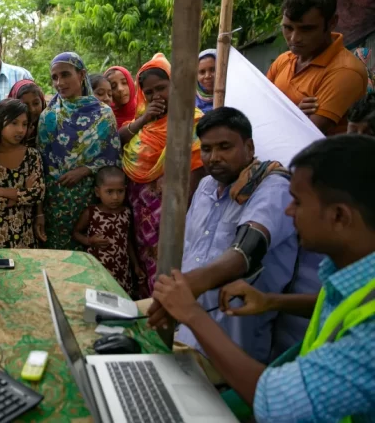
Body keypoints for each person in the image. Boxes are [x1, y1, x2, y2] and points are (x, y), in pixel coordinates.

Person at [153, 134, 375, 423]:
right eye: (206, 148)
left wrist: (192, 314)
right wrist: (270, 301)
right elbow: (338, 304)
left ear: (339, 217)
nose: (288, 211)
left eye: (297, 202)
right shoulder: (353, 274)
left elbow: (275, 401)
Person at [172, 107, 301, 365]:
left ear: (249, 147)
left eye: (224, 147)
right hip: (187, 326)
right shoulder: (206, 186)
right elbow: (189, 248)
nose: (214, 157)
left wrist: (190, 284)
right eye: (207, 149)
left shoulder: (273, 187)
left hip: (235, 338)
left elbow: (247, 251)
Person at [120, 53, 206, 296]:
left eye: (162, 88)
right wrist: (146, 116)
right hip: (142, 216)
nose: (156, 96)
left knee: (172, 272)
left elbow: (198, 172)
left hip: (174, 214)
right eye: (149, 92)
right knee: (149, 273)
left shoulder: (192, 122)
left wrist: (182, 211)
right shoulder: (142, 124)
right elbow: (117, 143)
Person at [38, 52, 121, 250]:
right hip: (55, 207)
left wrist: (84, 170)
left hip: (90, 203)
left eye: (66, 75)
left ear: (82, 74)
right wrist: (40, 212)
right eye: (55, 77)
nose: (60, 82)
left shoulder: (104, 114)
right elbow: (40, 166)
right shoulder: (48, 117)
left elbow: (114, 159)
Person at [267, 0, 367, 136]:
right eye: (288, 28)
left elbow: (307, 134)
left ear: (332, 23)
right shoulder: (283, 60)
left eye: (306, 29)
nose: (294, 38)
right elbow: (258, 108)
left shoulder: (345, 72)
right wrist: (294, 112)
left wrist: (283, 112)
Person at [0, 98, 45, 248]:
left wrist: (1, 191)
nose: (21, 130)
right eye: (14, 123)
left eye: (24, 124)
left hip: (27, 235)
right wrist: (23, 192)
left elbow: (37, 193)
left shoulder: (32, 156)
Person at [72, 166, 140, 298]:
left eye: (120, 191)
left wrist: (135, 265)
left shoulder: (126, 212)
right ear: (98, 192)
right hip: (99, 268)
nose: (115, 197)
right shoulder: (92, 212)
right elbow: (76, 233)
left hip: (121, 270)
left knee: (121, 300)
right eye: (109, 192)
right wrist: (89, 241)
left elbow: (128, 241)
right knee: (100, 299)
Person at [8, 79, 46, 148]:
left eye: (36, 103)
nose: (32, 110)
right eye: (25, 105)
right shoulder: (6, 132)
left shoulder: (51, 125)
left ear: (42, 102)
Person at [196, 48, 217, 113]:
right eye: (202, 72)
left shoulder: (232, 95)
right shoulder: (189, 98)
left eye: (213, 70)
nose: (207, 76)